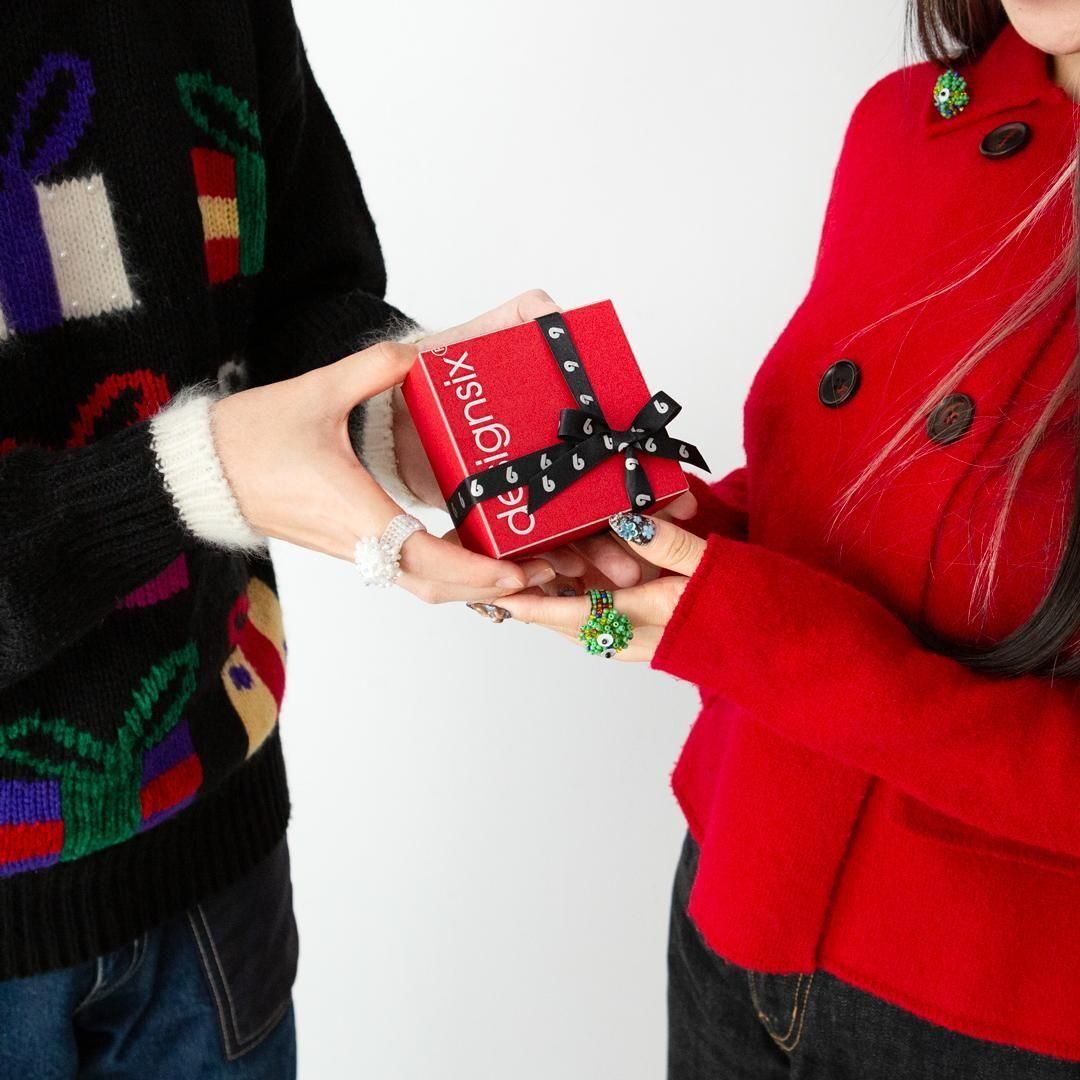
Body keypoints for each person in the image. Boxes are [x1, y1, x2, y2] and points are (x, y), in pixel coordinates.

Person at [0, 1, 615, 1074]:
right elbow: (221, 450)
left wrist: (431, 423)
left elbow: (299, 290)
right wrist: (195, 472)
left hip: (213, 862)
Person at [499, 2, 1080, 1076]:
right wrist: (657, 527)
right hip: (737, 887)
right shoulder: (910, 118)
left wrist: (761, 638)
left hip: (990, 1003)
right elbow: (856, 496)